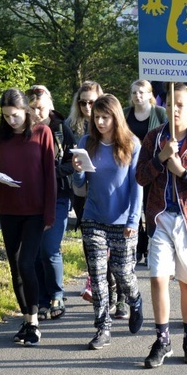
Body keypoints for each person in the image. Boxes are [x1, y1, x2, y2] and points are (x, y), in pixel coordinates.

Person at [136, 83, 187, 368]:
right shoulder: (153, 138)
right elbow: (140, 177)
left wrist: (182, 172)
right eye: (171, 104)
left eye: (181, 105)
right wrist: (160, 159)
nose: (175, 110)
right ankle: (162, 340)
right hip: (160, 217)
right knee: (158, 277)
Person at [72, 94, 144, 350]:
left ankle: (135, 300)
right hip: (93, 217)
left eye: (106, 117)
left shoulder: (131, 144)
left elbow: (137, 186)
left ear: (116, 117)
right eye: (97, 117)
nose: (101, 122)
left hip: (123, 219)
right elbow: (80, 187)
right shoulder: (86, 142)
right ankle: (103, 328)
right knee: (98, 275)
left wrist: (134, 220)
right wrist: (78, 170)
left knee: (123, 272)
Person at [0, 88, 56, 346]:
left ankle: (35, 323)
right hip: (9, 209)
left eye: (14, 115)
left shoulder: (42, 133)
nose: (10, 121)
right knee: (15, 267)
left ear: (26, 111)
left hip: (36, 210)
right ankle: (26, 321)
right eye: (5, 116)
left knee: (27, 262)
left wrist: (50, 213)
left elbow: (50, 174)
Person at [27, 85, 76, 322]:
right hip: (31, 198)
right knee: (34, 251)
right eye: (33, 108)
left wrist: (49, 173)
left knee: (49, 248)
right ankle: (43, 299)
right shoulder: (22, 130)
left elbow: (73, 162)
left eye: (40, 108)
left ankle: (57, 293)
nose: (37, 112)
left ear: (50, 106)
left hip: (58, 195)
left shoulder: (60, 129)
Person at [124, 79, 168, 267]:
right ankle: (137, 247)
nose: (138, 96)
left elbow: (168, 136)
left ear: (151, 94)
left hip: (152, 170)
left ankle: (152, 246)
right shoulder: (125, 114)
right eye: (134, 92)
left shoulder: (160, 113)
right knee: (132, 210)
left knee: (151, 208)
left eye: (142, 92)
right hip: (128, 170)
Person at [66, 80, 103, 301]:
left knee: (108, 239)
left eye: (92, 102)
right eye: (83, 103)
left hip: (104, 190)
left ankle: (107, 283)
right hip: (81, 190)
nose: (88, 107)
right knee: (88, 237)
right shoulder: (73, 126)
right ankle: (93, 278)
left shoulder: (111, 123)